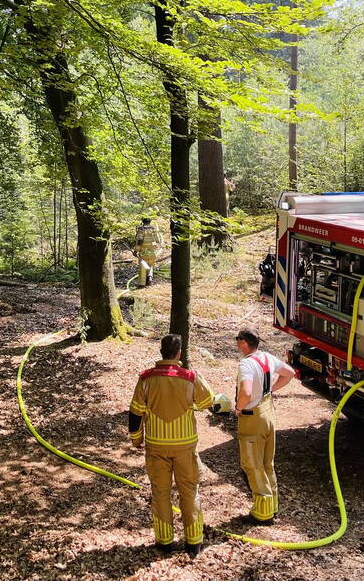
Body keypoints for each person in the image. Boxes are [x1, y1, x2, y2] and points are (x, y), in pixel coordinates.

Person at [128, 334, 216, 555]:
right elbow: (208, 401)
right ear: (178, 354)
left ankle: (164, 540)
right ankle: (194, 541)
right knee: (189, 491)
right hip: (185, 446)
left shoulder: (146, 378)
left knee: (160, 492)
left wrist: (136, 438)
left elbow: (135, 412)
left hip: (156, 445)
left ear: (161, 352)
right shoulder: (189, 377)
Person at [233, 327, 294, 525]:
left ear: (244, 343)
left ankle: (262, 513)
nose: (237, 345)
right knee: (268, 463)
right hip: (269, 413)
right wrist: (270, 390)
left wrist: (239, 408)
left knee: (253, 465)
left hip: (253, 419)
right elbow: (290, 373)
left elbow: (247, 391)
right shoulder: (267, 357)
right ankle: (273, 506)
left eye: (238, 341)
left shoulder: (247, 365)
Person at [133, 218, 164, 287]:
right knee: (150, 265)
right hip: (153, 251)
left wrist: (135, 251)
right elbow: (158, 240)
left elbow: (139, 241)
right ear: (150, 221)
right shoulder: (154, 229)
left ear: (142, 221)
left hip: (144, 251)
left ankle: (142, 284)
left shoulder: (141, 229)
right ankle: (150, 277)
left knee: (143, 266)